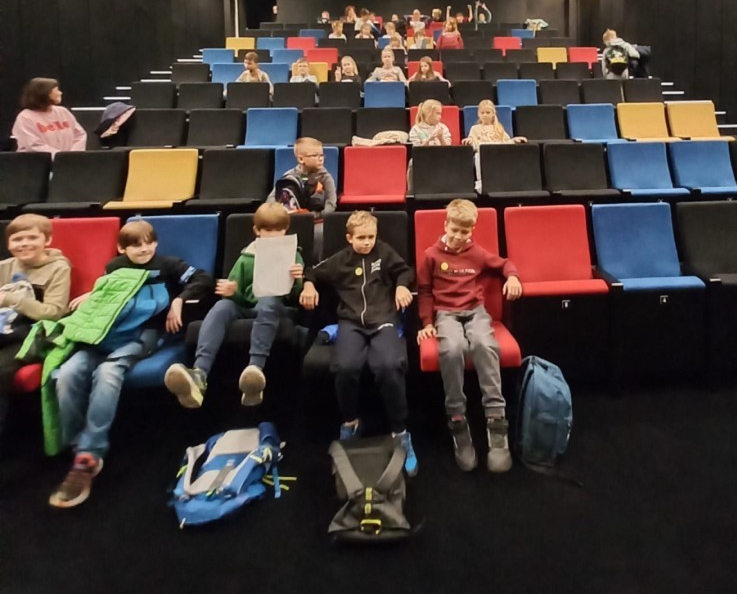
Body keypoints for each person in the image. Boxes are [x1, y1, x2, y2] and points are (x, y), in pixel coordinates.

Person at [44, 220, 213, 507]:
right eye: (135, 245)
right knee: (67, 373)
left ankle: (89, 455)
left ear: (156, 243)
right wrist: (93, 294)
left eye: (149, 242)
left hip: (142, 334)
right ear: (122, 248)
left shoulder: (167, 264)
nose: (144, 249)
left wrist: (179, 300)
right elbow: (108, 294)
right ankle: (77, 445)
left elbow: (203, 279)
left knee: (108, 372)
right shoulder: (114, 267)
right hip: (103, 334)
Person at [299, 211, 418, 475]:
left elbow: (406, 270)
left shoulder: (383, 252)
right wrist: (308, 286)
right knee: (345, 367)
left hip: (383, 319)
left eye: (371, 237)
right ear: (349, 238)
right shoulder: (340, 260)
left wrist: (401, 285)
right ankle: (350, 423)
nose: (367, 242)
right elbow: (312, 271)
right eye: (361, 238)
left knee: (388, 366)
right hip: (351, 322)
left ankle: (400, 432)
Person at [164, 203, 305, 410]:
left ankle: (254, 370)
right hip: (248, 308)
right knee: (222, 307)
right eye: (268, 230)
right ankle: (199, 373)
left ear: (286, 230)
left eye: (279, 230)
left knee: (268, 301)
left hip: (278, 308)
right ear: (257, 230)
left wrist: (297, 280)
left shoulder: (292, 255)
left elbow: (295, 298)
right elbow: (238, 297)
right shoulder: (247, 256)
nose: (274, 235)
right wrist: (231, 291)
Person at [416, 199, 521, 473]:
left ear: (472, 230)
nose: (459, 237)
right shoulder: (431, 255)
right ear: (446, 225)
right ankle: (457, 419)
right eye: (455, 230)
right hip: (446, 314)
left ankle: (496, 421)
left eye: (465, 232)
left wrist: (513, 277)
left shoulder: (477, 252)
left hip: (475, 311)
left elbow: (504, 264)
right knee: (452, 349)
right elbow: (424, 291)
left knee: (485, 345)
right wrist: (426, 322)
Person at [0, 215, 71, 434]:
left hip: (33, 334)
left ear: (47, 240)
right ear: (8, 244)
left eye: (32, 238)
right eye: (17, 239)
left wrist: (10, 299)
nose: (24, 244)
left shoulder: (59, 268)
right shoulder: (4, 267)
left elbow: (54, 313)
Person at [269, 136, 336, 259]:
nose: (321, 158)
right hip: (292, 220)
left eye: (322, 155)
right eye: (315, 155)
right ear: (301, 159)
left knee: (320, 234)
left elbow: (331, 204)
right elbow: (271, 200)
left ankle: (316, 264)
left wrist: (312, 216)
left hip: (317, 221)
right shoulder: (289, 177)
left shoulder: (326, 178)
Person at [12, 78, 86, 156]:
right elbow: (34, 145)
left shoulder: (63, 111)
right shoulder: (25, 117)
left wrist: (73, 155)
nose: (60, 93)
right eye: (57, 90)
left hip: (67, 161)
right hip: (37, 162)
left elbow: (80, 135)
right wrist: (60, 157)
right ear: (44, 93)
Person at [464, 99, 527, 192]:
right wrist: (469, 141)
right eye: (482, 113)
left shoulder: (499, 128)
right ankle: (481, 182)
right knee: (477, 156)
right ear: (478, 114)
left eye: (488, 112)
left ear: (493, 113)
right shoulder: (475, 128)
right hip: (483, 154)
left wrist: (513, 140)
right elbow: (473, 144)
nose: (485, 115)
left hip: (498, 154)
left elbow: (506, 142)